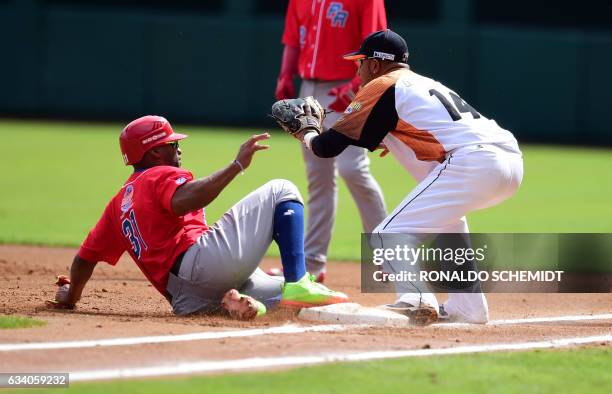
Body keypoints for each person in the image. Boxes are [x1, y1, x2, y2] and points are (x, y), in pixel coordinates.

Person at [294, 29, 524, 324]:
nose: (358, 69)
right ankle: (468, 307)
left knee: (387, 236)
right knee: (449, 224)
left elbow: (327, 148)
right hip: (508, 160)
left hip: (475, 162)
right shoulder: (420, 83)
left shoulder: (381, 85)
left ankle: (416, 298)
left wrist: (308, 133)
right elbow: (408, 132)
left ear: (375, 64)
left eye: (360, 62)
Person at [47, 115, 348, 320]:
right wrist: (236, 166)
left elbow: (84, 259)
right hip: (203, 264)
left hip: (185, 299)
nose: (178, 149)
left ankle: (235, 304)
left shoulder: (117, 206)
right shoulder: (157, 175)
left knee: (288, 302)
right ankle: (298, 279)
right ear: (153, 153)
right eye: (171, 144)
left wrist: (70, 297)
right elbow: (184, 200)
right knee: (282, 189)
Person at [274, 0, 388, 281]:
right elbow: (292, 39)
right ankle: (312, 264)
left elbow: (377, 47)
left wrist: (354, 87)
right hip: (309, 86)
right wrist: (285, 74)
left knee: (352, 169)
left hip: (349, 88)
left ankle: (388, 257)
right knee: (318, 177)